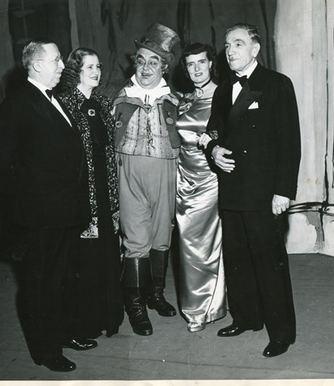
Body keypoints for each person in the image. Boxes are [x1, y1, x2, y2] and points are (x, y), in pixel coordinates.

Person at [0, 38, 97, 372]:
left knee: (64, 277)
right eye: (56, 60)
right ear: (37, 65)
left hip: (66, 211)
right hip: (41, 214)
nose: (63, 66)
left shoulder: (52, 99)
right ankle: (46, 350)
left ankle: (64, 334)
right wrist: (30, 200)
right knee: (41, 283)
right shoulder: (18, 103)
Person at [201, 23, 301, 357]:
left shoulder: (276, 85)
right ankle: (246, 318)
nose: (230, 51)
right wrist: (213, 151)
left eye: (238, 44)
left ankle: (281, 333)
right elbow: (212, 131)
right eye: (228, 45)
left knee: (269, 264)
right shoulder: (222, 88)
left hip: (263, 193)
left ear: (255, 49)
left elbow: (290, 143)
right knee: (238, 260)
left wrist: (283, 191)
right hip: (231, 191)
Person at [113, 23, 181, 336]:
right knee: (136, 239)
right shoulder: (121, 98)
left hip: (165, 170)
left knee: (162, 236)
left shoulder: (176, 100)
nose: (145, 67)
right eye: (140, 60)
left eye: (153, 61)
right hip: (130, 171)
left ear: (164, 66)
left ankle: (155, 294)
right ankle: (136, 305)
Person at [58, 48, 124, 338]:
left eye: (98, 66)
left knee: (108, 257)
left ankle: (108, 319)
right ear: (76, 71)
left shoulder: (101, 100)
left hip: (106, 191)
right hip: (82, 195)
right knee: (84, 263)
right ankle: (82, 325)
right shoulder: (65, 103)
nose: (96, 72)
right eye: (89, 67)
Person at [175, 43, 227, 333]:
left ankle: (205, 309)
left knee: (206, 245)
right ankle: (199, 305)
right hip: (183, 178)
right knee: (186, 244)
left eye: (201, 62)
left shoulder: (224, 96)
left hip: (211, 178)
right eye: (190, 64)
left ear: (210, 64)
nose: (196, 69)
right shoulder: (184, 100)